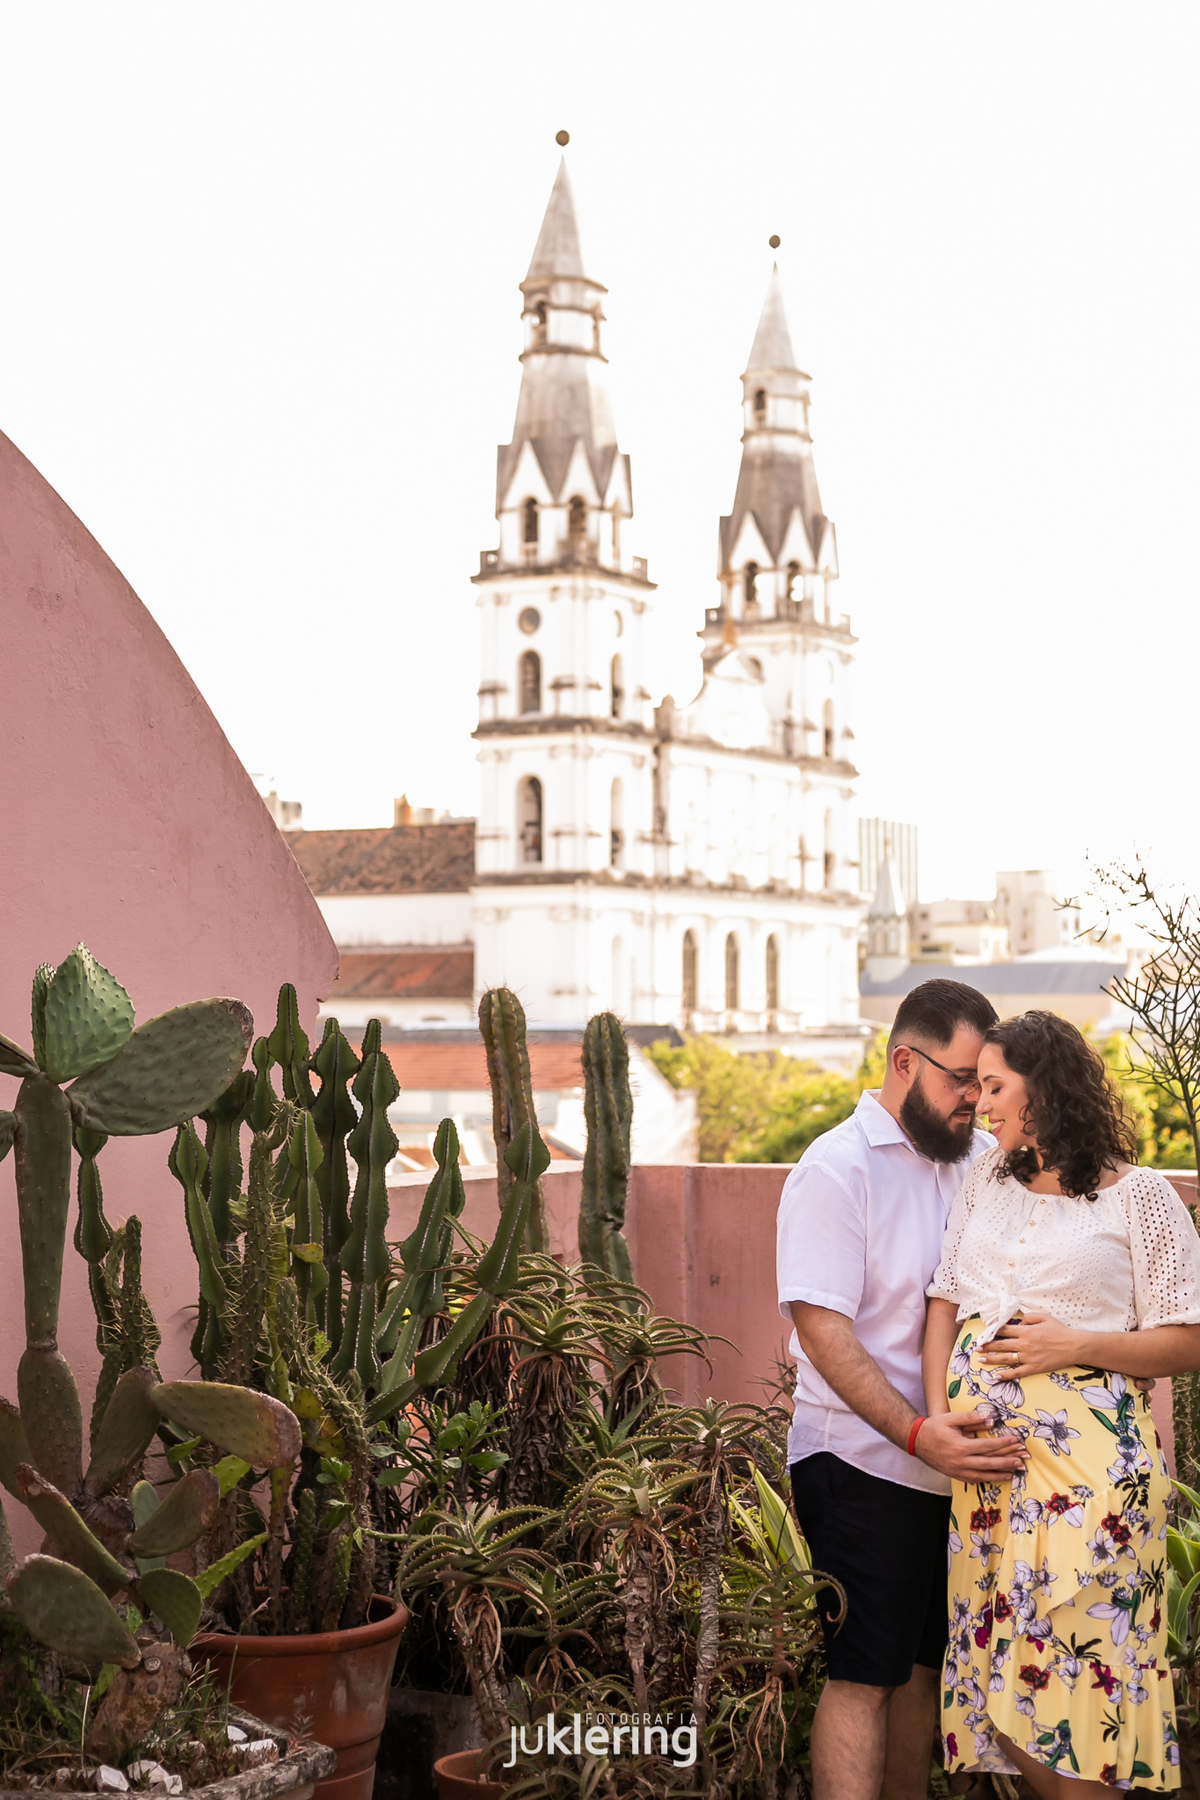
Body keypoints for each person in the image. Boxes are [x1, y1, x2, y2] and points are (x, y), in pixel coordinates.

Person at [924, 1010, 1200, 1797]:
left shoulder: (1140, 1198)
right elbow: (946, 1301)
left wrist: (1073, 1344)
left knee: (1081, 1686)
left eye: (995, 1085)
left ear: (1045, 1091)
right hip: (987, 1480)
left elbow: (1190, 1340)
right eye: (976, 1086)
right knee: (1001, 1687)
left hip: (1091, 1487)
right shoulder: (986, 1178)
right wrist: (936, 1415)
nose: (979, 1103)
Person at [776, 978, 1031, 1800]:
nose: (974, 1100)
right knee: (864, 1676)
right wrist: (919, 1434)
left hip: (952, 1472)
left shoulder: (981, 1162)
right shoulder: (835, 1169)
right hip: (858, 1461)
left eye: (986, 1083)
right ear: (902, 1061)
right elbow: (825, 1332)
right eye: (961, 1079)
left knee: (925, 1670)